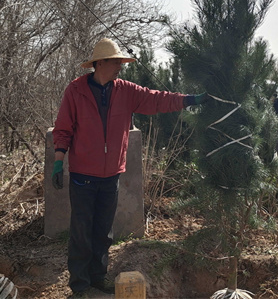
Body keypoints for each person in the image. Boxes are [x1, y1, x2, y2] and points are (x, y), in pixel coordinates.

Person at [52, 38, 208, 296]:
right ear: (99, 63)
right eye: (116, 62)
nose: (120, 67)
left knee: (103, 232)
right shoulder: (76, 91)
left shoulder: (126, 90)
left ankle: (98, 278)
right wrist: (58, 162)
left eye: (121, 62)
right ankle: (80, 286)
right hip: (82, 176)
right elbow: (63, 128)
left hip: (111, 175)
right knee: (81, 233)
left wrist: (190, 99)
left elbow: (157, 100)